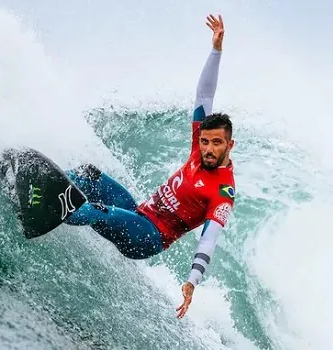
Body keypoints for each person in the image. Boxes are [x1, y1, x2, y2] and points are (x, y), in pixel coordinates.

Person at [64, 13, 235, 319]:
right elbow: (204, 95)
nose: (208, 149)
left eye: (216, 144)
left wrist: (192, 281)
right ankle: (44, 182)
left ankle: (47, 207)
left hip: (149, 238)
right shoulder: (199, 147)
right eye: (205, 142)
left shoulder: (223, 191)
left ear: (229, 145)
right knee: (88, 176)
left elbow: (209, 239)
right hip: (139, 213)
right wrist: (216, 50)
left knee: (94, 209)